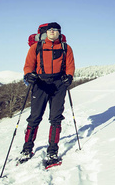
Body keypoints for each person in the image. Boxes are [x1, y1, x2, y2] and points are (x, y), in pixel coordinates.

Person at [19, 22, 75, 164]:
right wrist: (28, 75)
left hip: (58, 85)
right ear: (45, 32)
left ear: (59, 33)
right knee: (35, 117)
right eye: (50, 30)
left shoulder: (66, 48)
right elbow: (29, 65)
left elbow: (70, 65)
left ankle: (52, 151)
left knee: (56, 118)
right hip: (40, 84)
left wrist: (69, 76)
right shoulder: (36, 47)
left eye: (55, 30)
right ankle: (27, 148)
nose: (52, 32)